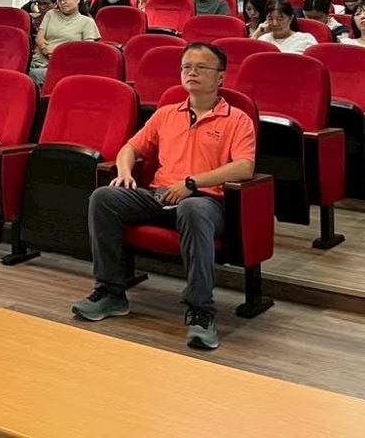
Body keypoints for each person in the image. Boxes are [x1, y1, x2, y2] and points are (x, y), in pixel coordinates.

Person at [71, 42, 255, 351]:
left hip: (207, 202)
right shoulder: (167, 113)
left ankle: (201, 312)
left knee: (193, 209)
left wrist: (192, 183)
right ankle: (111, 293)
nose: (192, 72)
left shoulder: (237, 119)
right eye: (186, 67)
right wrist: (125, 171)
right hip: (160, 196)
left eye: (201, 67)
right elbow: (130, 147)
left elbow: (244, 167)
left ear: (221, 76)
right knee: (104, 197)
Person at [30, 0, 100, 85]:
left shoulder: (87, 22)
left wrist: (57, 51)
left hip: (66, 65)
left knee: (36, 75)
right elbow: (39, 38)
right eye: (59, 0)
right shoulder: (51, 14)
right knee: (31, 74)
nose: (62, 3)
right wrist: (46, 50)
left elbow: (87, 51)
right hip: (41, 62)